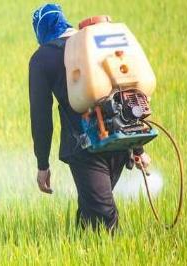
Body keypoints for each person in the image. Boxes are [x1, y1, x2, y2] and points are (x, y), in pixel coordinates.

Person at [29, 3, 151, 231]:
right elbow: (127, 85)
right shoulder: (94, 42)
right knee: (92, 214)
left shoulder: (42, 57)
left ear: (41, 32)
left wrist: (42, 164)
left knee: (103, 219)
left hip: (86, 148)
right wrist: (138, 148)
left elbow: (41, 116)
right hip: (122, 139)